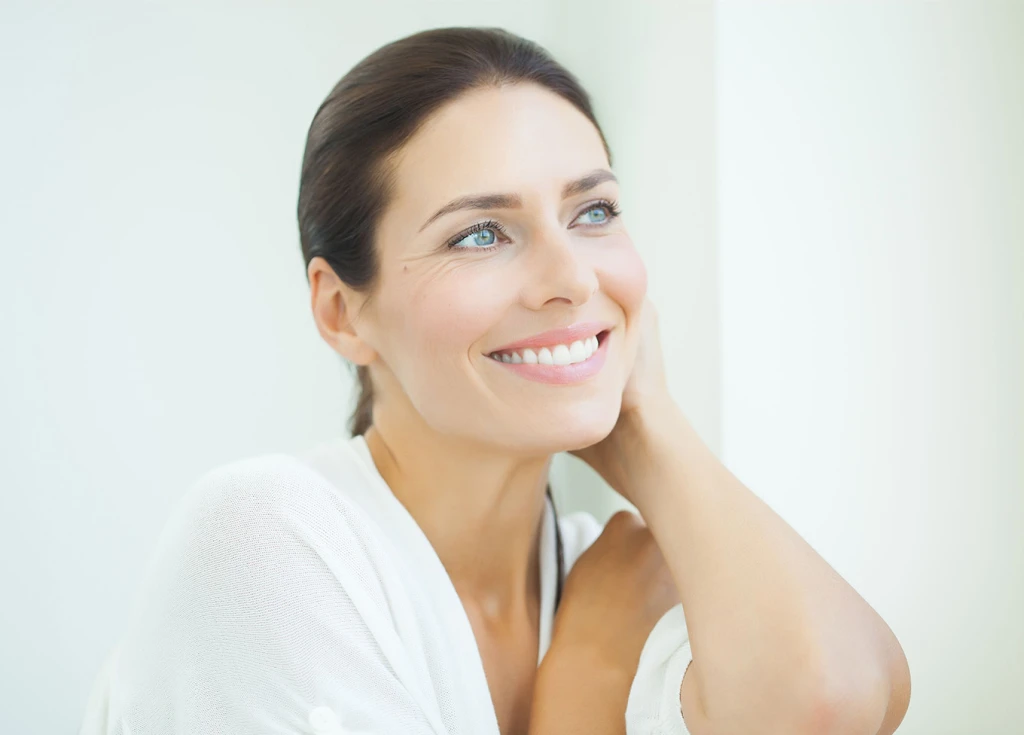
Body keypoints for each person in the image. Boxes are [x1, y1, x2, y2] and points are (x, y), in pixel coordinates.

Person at [80, 26, 910, 735]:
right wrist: (584, 678)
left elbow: (830, 704)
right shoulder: (270, 541)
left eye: (593, 213)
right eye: (481, 233)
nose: (573, 279)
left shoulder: (613, 572)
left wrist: (652, 431)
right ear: (341, 311)